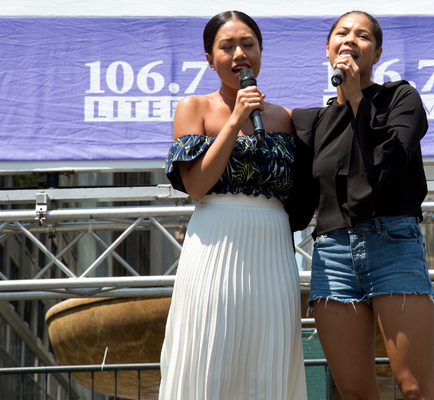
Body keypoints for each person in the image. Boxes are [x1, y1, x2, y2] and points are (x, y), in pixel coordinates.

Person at [289, 10, 434, 400]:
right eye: (342, 33)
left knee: (415, 387)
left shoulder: (400, 99)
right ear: (327, 49)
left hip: (393, 243)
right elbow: (300, 202)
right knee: (355, 392)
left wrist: (356, 97)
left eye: (362, 35)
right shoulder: (312, 122)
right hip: (333, 253)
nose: (351, 40)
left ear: (378, 51)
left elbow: (392, 160)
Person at [159, 11, 307, 400]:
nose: (239, 53)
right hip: (215, 240)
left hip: (272, 246)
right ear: (210, 58)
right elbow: (196, 185)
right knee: (208, 352)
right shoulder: (194, 108)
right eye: (227, 47)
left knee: (269, 356)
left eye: (248, 45)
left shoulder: (285, 118)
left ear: (261, 52)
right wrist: (236, 117)